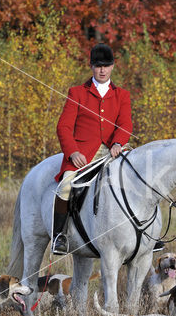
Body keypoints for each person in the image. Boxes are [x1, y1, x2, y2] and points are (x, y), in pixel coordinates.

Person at [52, 43, 133, 254]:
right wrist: (72, 152)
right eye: (98, 66)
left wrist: (118, 143)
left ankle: (144, 233)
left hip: (112, 151)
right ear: (91, 66)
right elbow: (64, 127)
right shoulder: (77, 92)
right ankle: (59, 235)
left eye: (106, 66)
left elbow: (125, 125)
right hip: (82, 154)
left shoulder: (122, 95)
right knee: (66, 186)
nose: (102, 70)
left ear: (113, 66)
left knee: (138, 177)